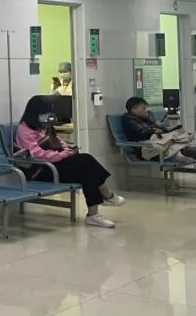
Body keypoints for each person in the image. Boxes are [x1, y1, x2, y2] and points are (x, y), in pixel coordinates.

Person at [14, 96, 123, 228]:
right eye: (45, 112)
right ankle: (106, 196)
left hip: (54, 165)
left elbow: (58, 141)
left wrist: (67, 149)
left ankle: (94, 213)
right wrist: (64, 154)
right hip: (40, 170)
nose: (48, 115)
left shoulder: (44, 127)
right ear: (35, 112)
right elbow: (38, 155)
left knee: (87, 168)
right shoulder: (24, 130)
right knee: (86, 162)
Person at [122, 96, 196, 163]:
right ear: (134, 108)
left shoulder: (144, 118)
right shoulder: (128, 119)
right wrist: (154, 130)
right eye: (143, 108)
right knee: (173, 140)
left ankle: (185, 148)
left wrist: (170, 130)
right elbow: (141, 133)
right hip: (145, 147)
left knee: (178, 135)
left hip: (157, 141)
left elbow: (159, 128)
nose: (145, 110)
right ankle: (183, 151)